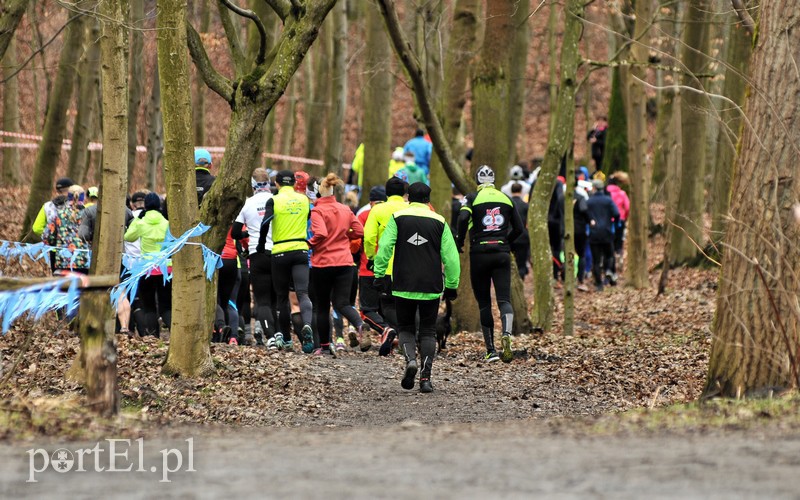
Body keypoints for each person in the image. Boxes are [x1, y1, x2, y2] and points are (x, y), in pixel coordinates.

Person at [373, 182, 460, 393]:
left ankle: (410, 360)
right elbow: (451, 257)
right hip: (431, 284)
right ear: (428, 200)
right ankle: (425, 377)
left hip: (403, 283)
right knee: (428, 331)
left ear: (408, 198)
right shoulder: (440, 221)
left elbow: (385, 247)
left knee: (406, 328)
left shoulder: (398, 218)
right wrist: (451, 285)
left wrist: (379, 274)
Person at [457, 165, 524, 363]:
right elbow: (520, 228)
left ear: (477, 181)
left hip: (479, 253)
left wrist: (460, 240)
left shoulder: (471, 198)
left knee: (484, 302)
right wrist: (507, 241)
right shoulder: (506, 198)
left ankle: (491, 351)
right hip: (501, 252)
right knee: (504, 300)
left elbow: (462, 218)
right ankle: (507, 334)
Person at [307, 173, 367, 356]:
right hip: (345, 262)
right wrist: (343, 235)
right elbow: (359, 231)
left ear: (318, 193)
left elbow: (321, 234)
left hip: (323, 264)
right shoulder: (344, 209)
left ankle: (325, 346)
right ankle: (359, 324)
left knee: (323, 306)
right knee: (342, 303)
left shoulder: (317, 211)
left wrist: (308, 244)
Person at [257, 170, 314, 353]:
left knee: (281, 297)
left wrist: (260, 245)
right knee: (303, 293)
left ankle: (287, 340)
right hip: (300, 250)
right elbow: (307, 219)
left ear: (277, 183)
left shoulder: (273, 200)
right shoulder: (304, 200)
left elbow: (265, 223)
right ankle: (307, 325)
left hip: (280, 251)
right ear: (294, 184)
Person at [363, 177, 409, 354]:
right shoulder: (410, 208)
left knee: (388, 305)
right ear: (404, 192)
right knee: (407, 305)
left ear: (387, 193)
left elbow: (368, 238)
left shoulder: (378, 210)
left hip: (387, 267)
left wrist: (371, 258)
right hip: (409, 267)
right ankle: (409, 340)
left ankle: (394, 333)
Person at [233, 168, 274, 346]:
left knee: (263, 301)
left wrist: (247, 233)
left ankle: (271, 337)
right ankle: (283, 337)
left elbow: (235, 232)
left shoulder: (247, 204)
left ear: (252, 185)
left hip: (257, 254)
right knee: (278, 299)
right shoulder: (276, 200)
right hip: (277, 252)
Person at [124, 193, 171, 337]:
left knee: (149, 306)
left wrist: (138, 219)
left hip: (147, 268)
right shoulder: (166, 222)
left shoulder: (140, 222)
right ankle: (174, 332)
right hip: (166, 267)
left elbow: (128, 237)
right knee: (166, 305)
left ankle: (153, 336)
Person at [42, 184, 90, 274]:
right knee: (81, 288)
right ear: (83, 198)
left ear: (68, 197)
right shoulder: (89, 215)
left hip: (62, 261)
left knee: (63, 288)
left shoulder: (58, 214)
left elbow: (47, 236)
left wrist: (55, 244)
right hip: (84, 261)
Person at [586, 179, 620, 291]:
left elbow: (585, 215)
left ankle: (599, 284)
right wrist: (614, 223)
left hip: (594, 233)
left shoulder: (589, 202)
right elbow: (616, 213)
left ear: (594, 188)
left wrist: (590, 223)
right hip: (607, 232)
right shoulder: (608, 201)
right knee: (609, 255)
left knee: (596, 260)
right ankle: (608, 271)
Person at [606, 172, 630, 262]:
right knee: (619, 240)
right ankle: (619, 257)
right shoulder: (622, 193)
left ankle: (609, 260)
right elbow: (627, 207)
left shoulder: (605, 193)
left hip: (607, 221)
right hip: (620, 220)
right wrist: (625, 217)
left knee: (609, 240)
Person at [509, 182, 530, 279]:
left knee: (509, 262)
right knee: (521, 263)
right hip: (522, 237)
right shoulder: (525, 206)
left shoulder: (507, 205)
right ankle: (520, 282)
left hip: (508, 236)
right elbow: (528, 224)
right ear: (521, 191)